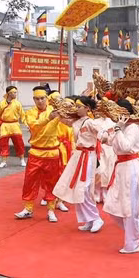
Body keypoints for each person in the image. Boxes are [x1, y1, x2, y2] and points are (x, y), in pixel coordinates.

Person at [102, 99, 139, 254]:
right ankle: (135, 230)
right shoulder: (120, 127)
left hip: (131, 167)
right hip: (120, 167)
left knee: (129, 206)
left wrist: (118, 130)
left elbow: (125, 146)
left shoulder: (133, 128)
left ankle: (132, 243)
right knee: (112, 205)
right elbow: (108, 141)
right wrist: (113, 130)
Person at [52, 97, 103, 233]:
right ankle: (89, 219)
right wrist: (57, 110)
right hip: (78, 156)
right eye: (76, 105)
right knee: (77, 189)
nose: (77, 108)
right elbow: (62, 119)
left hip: (88, 157)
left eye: (79, 106)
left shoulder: (91, 122)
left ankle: (96, 218)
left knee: (84, 189)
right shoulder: (75, 121)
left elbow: (102, 134)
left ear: (87, 108)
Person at [14, 85, 63, 222]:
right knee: (30, 181)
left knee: (51, 182)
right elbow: (34, 125)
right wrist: (49, 118)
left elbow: (68, 122)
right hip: (36, 151)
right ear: (33, 99)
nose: (40, 101)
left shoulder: (55, 111)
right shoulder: (30, 113)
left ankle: (51, 210)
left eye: (42, 98)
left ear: (47, 98)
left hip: (52, 152)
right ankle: (28, 209)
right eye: (37, 99)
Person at [0, 86, 26, 168]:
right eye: (13, 92)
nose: (15, 94)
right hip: (4, 126)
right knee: (3, 144)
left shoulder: (18, 103)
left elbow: (23, 115)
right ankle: (3, 161)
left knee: (19, 143)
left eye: (16, 92)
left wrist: (27, 124)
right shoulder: (2, 103)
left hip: (15, 125)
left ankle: (22, 160)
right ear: (8, 93)